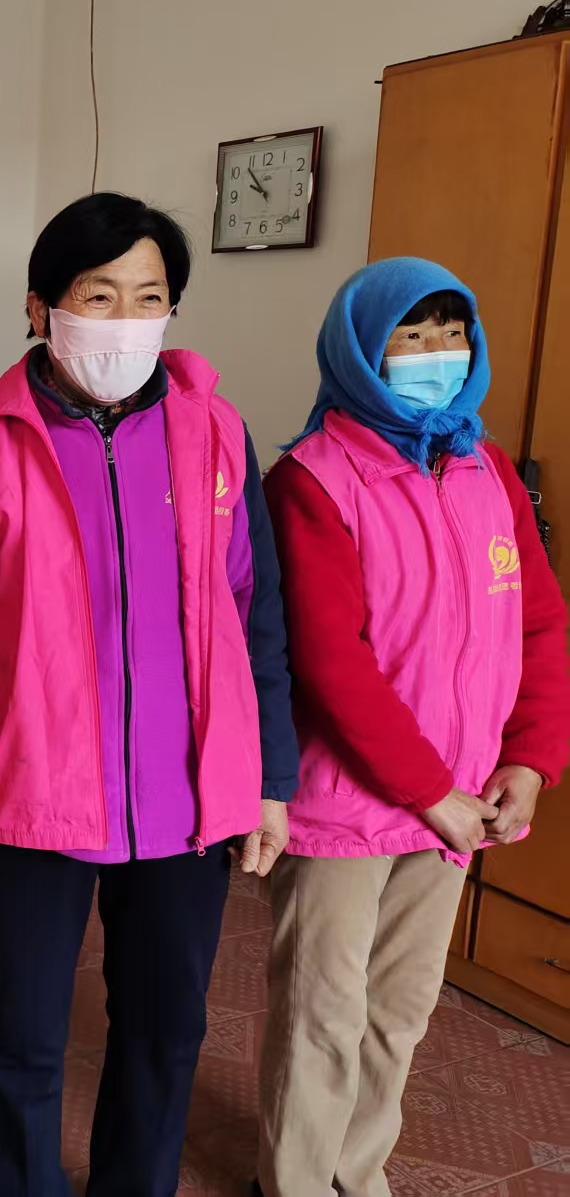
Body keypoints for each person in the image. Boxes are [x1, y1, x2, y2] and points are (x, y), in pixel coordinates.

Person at [0, 193, 299, 1196]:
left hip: (184, 799)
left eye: (149, 296)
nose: (125, 320)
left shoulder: (216, 432)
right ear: (39, 307)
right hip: (25, 798)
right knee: (18, 1028)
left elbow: (255, 614)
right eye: (98, 295)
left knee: (165, 1028)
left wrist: (268, 777)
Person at [256, 258, 570, 1195]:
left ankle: (359, 1173)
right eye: (412, 334)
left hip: (460, 801)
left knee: (400, 1008)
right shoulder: (313, 479)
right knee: (323, 1009)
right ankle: (295, 1181)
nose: (438, 352)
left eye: (452, 332)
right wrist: (431, 791)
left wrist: (530, 760)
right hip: (349, 806)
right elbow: (331, 661)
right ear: (361, 348)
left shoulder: (488, 470)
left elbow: (539, 623)